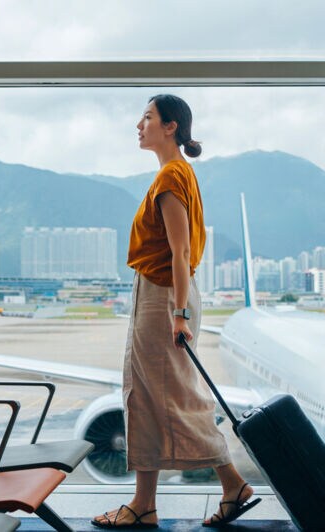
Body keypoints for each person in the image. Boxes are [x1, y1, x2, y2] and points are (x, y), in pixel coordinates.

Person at [92, 94, 260, 529]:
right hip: (163, 295)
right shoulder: (178, 173)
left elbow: (180, 252)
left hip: (164, 296)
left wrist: (179, 313)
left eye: (147, 117)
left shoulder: (171, 177)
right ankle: (145, 503)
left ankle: (230, 484)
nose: (139, 124)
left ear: (170, 126)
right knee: (147, 396)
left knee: (173, 395)